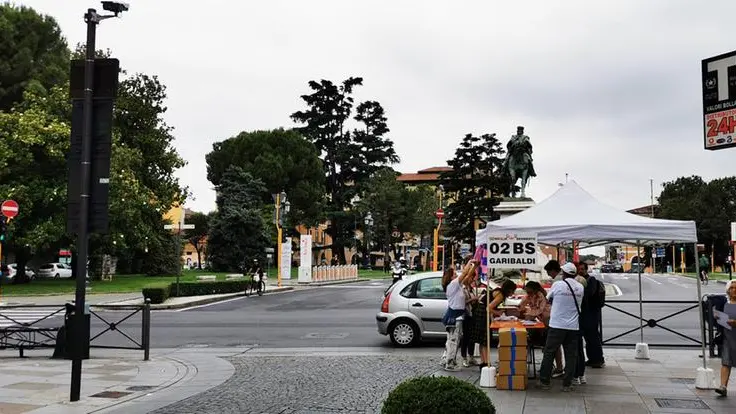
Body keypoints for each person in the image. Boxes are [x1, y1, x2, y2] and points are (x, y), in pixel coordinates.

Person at [538, 262, 584, 392]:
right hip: (573, 326)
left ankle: (544, 381)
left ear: (563, 273)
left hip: (557, 325)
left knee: (549, 352)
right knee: (571, 355)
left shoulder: (558, 284)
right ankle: (567, 384)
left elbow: (548, 298)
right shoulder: (580, 287)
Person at [469, 279, 517, 370]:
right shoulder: (500, 295)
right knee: (485, 339)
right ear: (509, 289)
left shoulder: (498, 291)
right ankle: (486, 363)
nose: (512, 294)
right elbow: (488, 308)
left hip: (480, 312)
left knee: (482, 340)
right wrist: (498, 313)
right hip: (483, 314)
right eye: (512, 291)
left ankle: (483, 362)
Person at [441, 261, 476, 371]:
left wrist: (474, 266)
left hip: (457, 316)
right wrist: (470, 262)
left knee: (451, 340)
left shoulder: (457, 285)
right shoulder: (453, 285)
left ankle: (445, 359)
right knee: (453, 340)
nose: (456, 275)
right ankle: (450, 363)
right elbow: (464, 274)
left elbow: (468, 275)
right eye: (455, 274)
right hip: (454, 317)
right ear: (451, 277)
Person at [577, 262, 605, 368]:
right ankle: (592, 359)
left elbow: (589, 294)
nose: (580, 271)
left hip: (591, 312)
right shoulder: (579, 280)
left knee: (593, 337)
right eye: (579, 269)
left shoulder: (591, 280)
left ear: (586, 270)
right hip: (585, 313)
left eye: (582, 269)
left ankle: (598, 359)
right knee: (588, 337)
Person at [715, 280, 736, 396]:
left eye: (735, 288)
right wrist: (718, 318)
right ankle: (723, 386)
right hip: (728, 337)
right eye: (731, 288)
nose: (733, 290)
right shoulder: (724, 303)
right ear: (728, 290)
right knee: (726, 362)